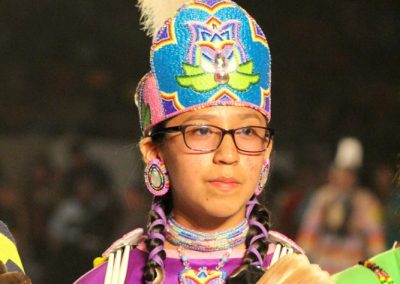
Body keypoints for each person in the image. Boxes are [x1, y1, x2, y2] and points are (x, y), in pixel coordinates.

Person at [75, 0, 332, 283]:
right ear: (154, 152)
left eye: (247, 132)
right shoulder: (114, 277)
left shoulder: (295, 276)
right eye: (202, 131)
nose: (228, 154)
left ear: (266, 150)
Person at [297, 138, 386, 273]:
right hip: (323, 273)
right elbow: (306, 238)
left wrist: (359, 226)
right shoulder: (322, 198)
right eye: (340, 171)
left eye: (349, 173)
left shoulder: (367, 202)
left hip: (353, 274)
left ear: (356, 176)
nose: (343, 177)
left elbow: (377, 246)